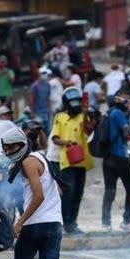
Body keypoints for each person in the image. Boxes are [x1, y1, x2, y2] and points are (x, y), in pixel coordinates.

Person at [0, 128, 92, 259]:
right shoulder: (40, 156)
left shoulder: (27, 162)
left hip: (34, 225)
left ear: (22, 144)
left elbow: (38, 196)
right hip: (53, 225)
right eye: (6, 148)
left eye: (12, 147)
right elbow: (55, 190)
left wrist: (19, 222)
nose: (9, 151)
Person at [50, 88, 93, 234]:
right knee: (68, 192)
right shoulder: (60, 117)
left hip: (82, 160)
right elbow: (55, 139)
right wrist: (65, 142)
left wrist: (86, 111)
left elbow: (87, 130)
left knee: (78, 192)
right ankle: (65, 223)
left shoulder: (82, 116)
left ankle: (72, 223)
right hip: (67, 160)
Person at [102, 96, 130, 232]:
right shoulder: (118, 113)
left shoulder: (110, 112)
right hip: (120, 157)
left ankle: (106, 223)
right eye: (125, 99)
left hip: (108, 158)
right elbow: (128, 132)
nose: (127, 101)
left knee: (110, 190)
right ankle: (126, 221)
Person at [30, 67, 52, 133]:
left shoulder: (48, 85)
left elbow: (48, 98)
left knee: (48, 131)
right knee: (39, 131)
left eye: (45, 73)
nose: (45, 75)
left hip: (46, 112)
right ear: (39, 74)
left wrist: (49, 110)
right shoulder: (35, 86)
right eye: (43, 73)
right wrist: (32, 112)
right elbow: (32, 100)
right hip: (38, 112)